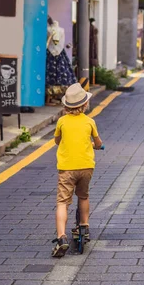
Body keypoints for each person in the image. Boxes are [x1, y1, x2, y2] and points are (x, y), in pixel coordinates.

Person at [52, 83, 103, 257]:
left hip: (67, 168)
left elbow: (57, 141)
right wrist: (95, 146)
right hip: (86, 167)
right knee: (83, 196)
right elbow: (98, 143)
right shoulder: (90, 122)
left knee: (62, 203)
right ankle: (84, 226)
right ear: (85, 104)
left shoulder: (62, 122)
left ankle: (61, 237)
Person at [46, 18, 77, 105]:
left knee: (53, 74)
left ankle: (55, 97)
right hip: (56, 52)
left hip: (53, 52)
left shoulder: (57, 30)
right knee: (60, 74)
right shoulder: (51, 30)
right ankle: (51, 98)